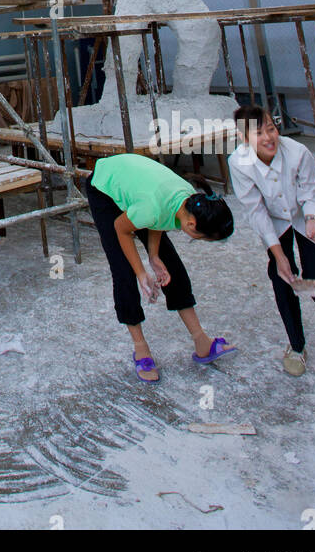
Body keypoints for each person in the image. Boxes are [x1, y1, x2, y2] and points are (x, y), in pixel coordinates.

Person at [229, 105, 315, 387]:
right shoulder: (238, 162)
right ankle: (297, 346)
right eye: (258, 133)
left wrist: (313, 220)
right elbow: (255, 211)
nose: (268, 137)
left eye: (271, 128)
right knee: (283, 278)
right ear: (243, 138)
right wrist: (278, 254)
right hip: (275, 223)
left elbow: (312, 192)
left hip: (305, 218)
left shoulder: (298, 152)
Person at [86, 151, 236, 382]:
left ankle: (201, 341)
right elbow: (123, 227)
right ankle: (140, 347)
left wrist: (154, 257)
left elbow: (160, 218)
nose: (200, 242)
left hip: (138, 190)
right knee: (123, 270)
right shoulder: (153, 206)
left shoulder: (186, 200)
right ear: (192, 224)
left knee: (170, 265)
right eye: (203, 238)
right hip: (104, 188)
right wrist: (141, 272)